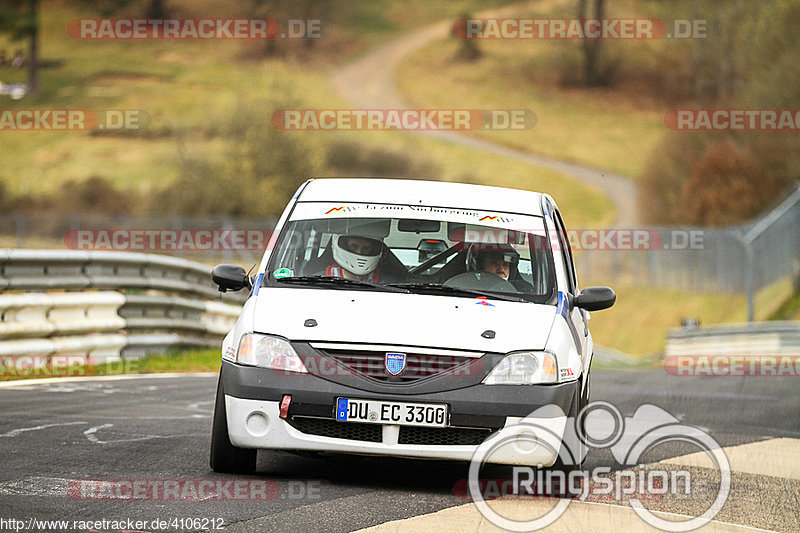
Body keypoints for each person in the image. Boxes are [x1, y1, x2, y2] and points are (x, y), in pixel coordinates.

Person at [467, 243, 533, 291]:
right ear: (480, 266)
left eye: (505, 265)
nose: (501, 269)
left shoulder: (524, 293)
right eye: (495, 264)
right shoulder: (464, 288)